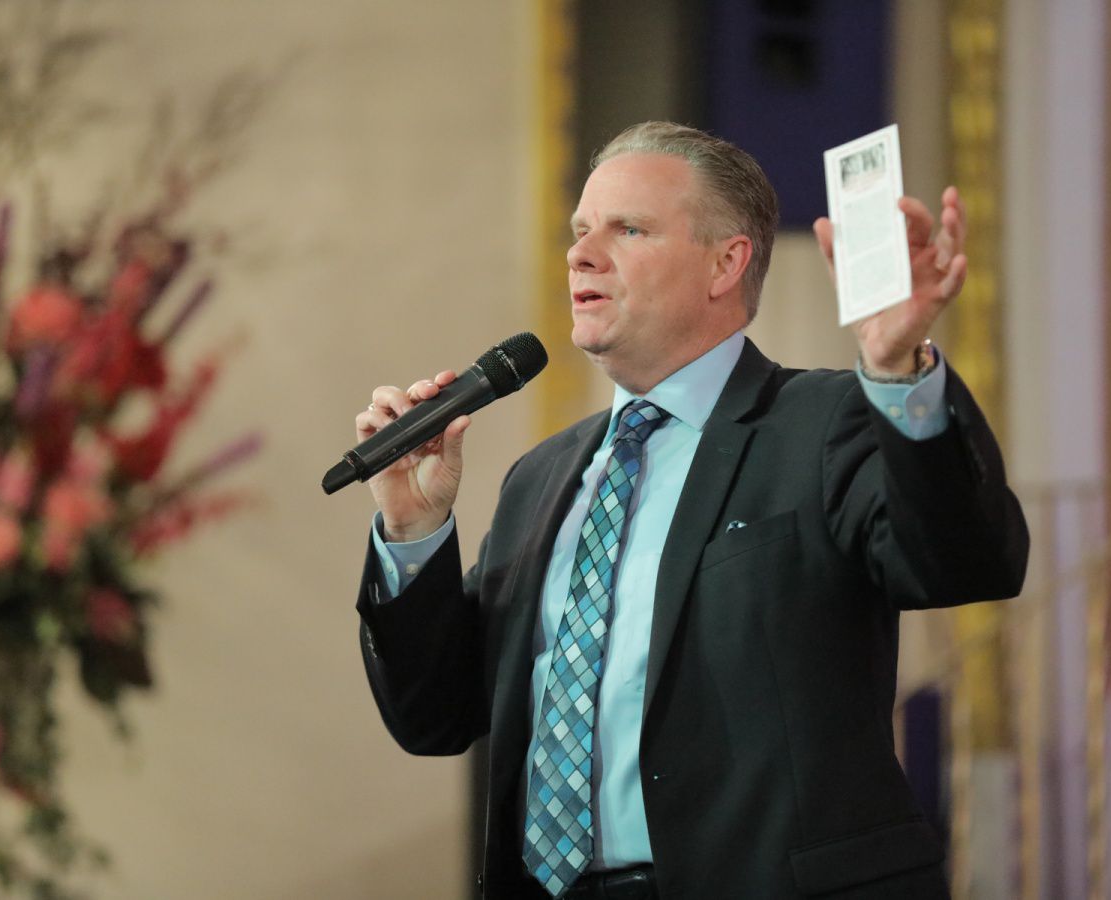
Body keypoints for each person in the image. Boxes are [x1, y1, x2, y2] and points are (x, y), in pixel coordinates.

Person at [352, 121, 1028, 900]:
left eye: (628, 229)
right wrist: (412, 528)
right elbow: (434, 717)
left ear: (725, 263)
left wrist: (898, 373)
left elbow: (964, 563)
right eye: (579, 230)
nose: (580, 254)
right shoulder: (539, 479)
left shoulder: (824, 423)